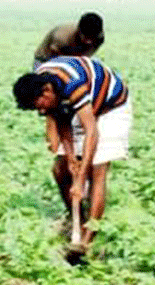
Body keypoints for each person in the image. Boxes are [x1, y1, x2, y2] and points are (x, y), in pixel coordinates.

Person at [13, 56, 133, 246]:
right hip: (86, 103)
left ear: (46, 92)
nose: (41, 113)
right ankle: (79, 219)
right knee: (60, 170)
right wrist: (70, 158)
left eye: (40, 107)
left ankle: (87, 240)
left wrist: (80, 178)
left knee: (97, 168)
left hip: (111, 105)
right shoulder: (41, 84)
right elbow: (62, 119)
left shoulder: (71, 84)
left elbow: (91, 131)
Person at [33, 12, 105, 67]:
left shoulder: (99, 38)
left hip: (75, 57)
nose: (89, 42)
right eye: (86, 38)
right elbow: (54, 52)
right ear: (79, 31)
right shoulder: (62, 37)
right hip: (46, 59)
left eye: (92, 38)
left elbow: (88, 54)